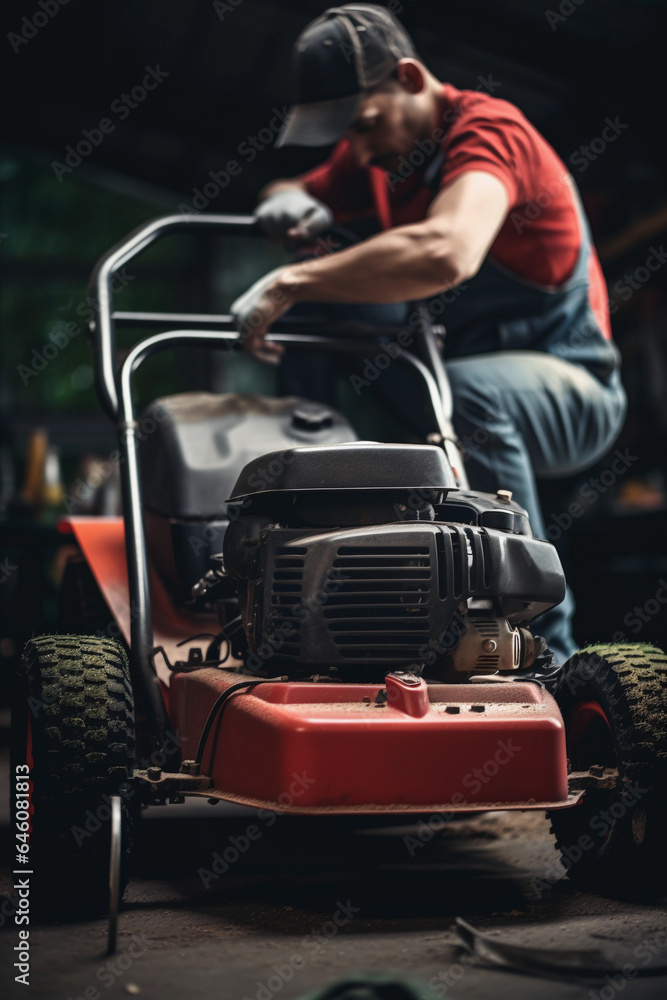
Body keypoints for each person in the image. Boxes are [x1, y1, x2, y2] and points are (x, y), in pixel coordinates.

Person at [230, 3, 627, 664]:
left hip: (571, 387)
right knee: (336, 312)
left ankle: (544, 659)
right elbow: (301, 183)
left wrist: (285, 284)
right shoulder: (380, 152)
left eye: (362, 124)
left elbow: (447, 250)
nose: (352, 150)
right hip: (454, 385)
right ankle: (308, 525)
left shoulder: (487, 131)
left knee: (467, 393)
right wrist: (284, 198)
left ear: (410, 78)